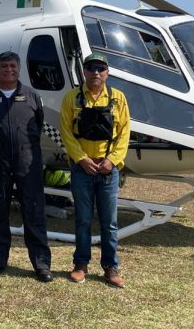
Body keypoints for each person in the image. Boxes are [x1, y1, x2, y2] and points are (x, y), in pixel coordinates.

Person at [0, 51, 53, 282]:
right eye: (4, 66)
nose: (9, 70)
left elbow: (37, 125)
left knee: (34, 212)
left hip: (27, 162)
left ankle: (41, 265)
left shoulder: (31, 96)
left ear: (19, 69)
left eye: (12, 66)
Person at [60, 53, 130, 288]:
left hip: (108, 170)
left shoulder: (118, 98)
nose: (96, 73)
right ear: (84, 72)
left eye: (101, 68)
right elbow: (66, 132)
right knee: (83, 219)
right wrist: (81, 159)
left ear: (107, 73)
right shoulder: (72, 98)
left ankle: (111, 267)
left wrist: (112, 160)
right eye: (91, 68)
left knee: (109, 221)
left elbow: (125, 133)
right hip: (82, 169)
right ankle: (80, 264)